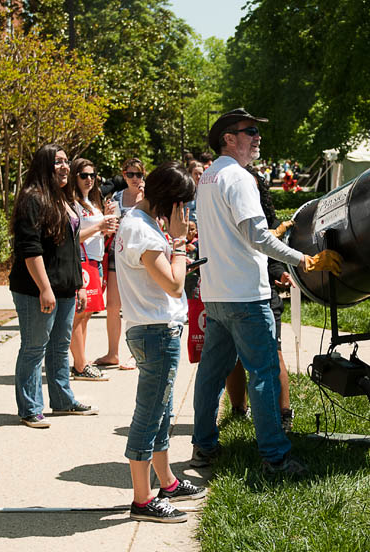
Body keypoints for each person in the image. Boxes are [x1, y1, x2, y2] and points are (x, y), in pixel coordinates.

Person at [191, 108, 342, 475]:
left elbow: (233, 233)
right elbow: (256, 237)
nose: (257, 137)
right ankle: (275, 456)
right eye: (250, 131)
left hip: (217, 293)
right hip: (246, 295)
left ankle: (204, 448)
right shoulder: (240, 179)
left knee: (211, 375)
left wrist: (271, 236)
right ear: (229, 138)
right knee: (263, 374)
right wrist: (304, 260)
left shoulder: (208, 177)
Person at [115, 161, 206, 523]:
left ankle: (166, 482)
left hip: (151, 327)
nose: (184, 212)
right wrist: (181, 243)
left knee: (162, 410)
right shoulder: (143, 230)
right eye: (181, 205)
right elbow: (173, 284)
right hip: (155, 331)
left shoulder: (139, 222)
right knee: (150, 415)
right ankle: (142, 500)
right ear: (170, 202)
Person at [10, 144, 98, 428]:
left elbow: (70, 245)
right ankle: (30, 408)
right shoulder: (32, 198)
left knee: (60, 348)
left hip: (65, 288)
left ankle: (62, 400)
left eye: (66, 161)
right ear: (43, 165)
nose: (64, 167)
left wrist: (78, 284)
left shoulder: (65, 199)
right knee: (34, 348)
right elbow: (30, 249)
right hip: (35, 289)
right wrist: (44, 288)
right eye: (57, 162)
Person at [225, 167, 295, 431]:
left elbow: (275, 261)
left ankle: (284, 415)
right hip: (233, 296)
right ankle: (238, 410)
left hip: (265, 298)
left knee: (273, 354)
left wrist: (280, 275)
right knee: (235, 357)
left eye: (252, 187)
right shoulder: (227, 222)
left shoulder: (271, 224)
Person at [69, 158, 118, 381]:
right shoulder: (72, 203)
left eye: (92, 175)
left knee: (86, 315)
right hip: (80, 262)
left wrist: (106, 223)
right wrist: (100, 226)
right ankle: (79, 365)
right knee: (78, 315)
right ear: (74, 177)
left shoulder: (92, 201)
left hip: (95, 262)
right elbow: (71, 237)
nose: (89, 179)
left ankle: (82, 360)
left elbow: (98, 234)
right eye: (83, 175)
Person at [95, 158, 145, 371]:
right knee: (113, 306)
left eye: (139, 174)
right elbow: (108, 229)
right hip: (118, 253)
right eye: (130, 174)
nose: (134, 178)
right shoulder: (116, 197)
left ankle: (137, 354)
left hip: (142, 257)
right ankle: (113, 353)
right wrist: (106, 220)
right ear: (123, 175)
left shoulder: (149, 198)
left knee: (137, 305)